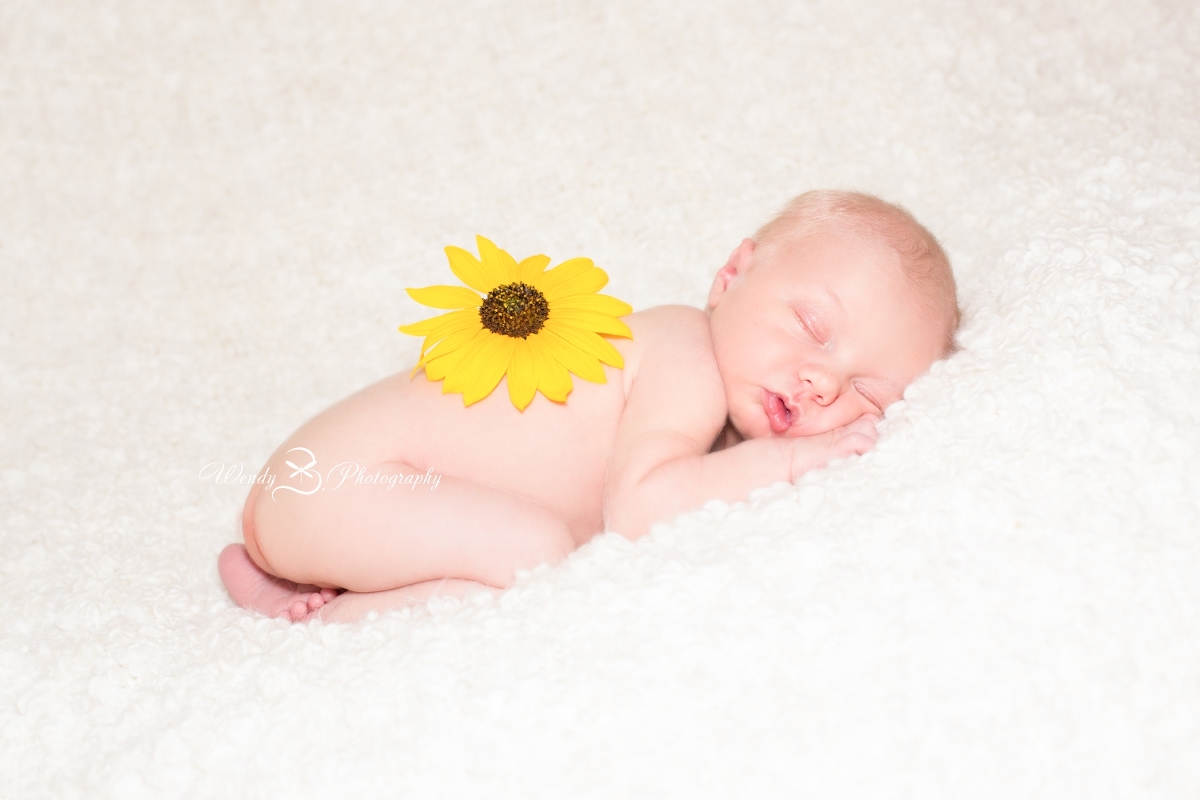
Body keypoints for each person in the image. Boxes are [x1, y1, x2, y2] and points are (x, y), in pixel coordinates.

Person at [218, 190, 959, 623]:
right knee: (535, 554)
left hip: (327, 492)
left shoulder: (717, 426)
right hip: (344, 479)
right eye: (812, 327)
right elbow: (641, 508)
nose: (821, 381)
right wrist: (793, 458)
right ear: (731, 276)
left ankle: (302, 581)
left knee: (520, 547)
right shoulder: (683, 348)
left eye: (868, 393)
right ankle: (334, 621)